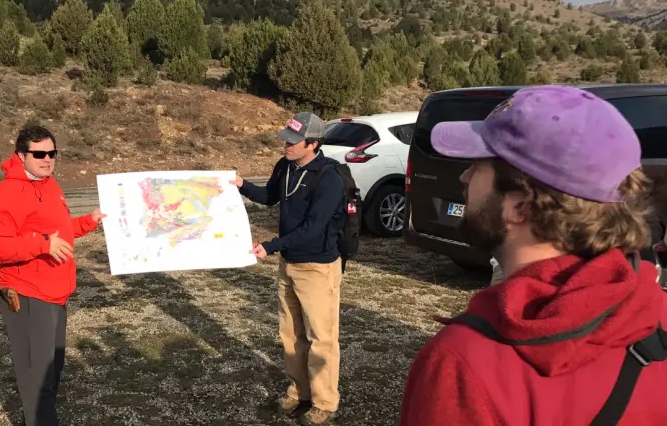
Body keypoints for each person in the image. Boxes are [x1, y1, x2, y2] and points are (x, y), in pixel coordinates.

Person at [398, 85, 667, 425]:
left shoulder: (464, 364)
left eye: (479, 167)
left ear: (520, 205)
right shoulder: (655, 313)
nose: (464, 177)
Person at [0, 124, 104, 426]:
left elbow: (58, 232)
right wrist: (41, 244)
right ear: (21, 155)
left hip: (56, 293)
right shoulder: (7, 192)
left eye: (52, 153)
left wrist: (88, 221)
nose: (47, 159)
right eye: (39, 154)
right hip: (28, 294)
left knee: (51, 371)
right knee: (37, 379)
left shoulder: (49, 184)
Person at [232, 111, 346, 426]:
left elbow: (312, 229)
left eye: (294, 141)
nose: (287, 144)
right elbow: (269, 197)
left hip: (318, 267)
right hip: (289, 264)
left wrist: (270, 245)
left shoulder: (329, 179)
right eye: (286, 138)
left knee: (321, 337)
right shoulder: (285, 167)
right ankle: (299, 392)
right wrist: (241, 185)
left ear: (313, 143)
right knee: (291, 334)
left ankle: (324, 402)